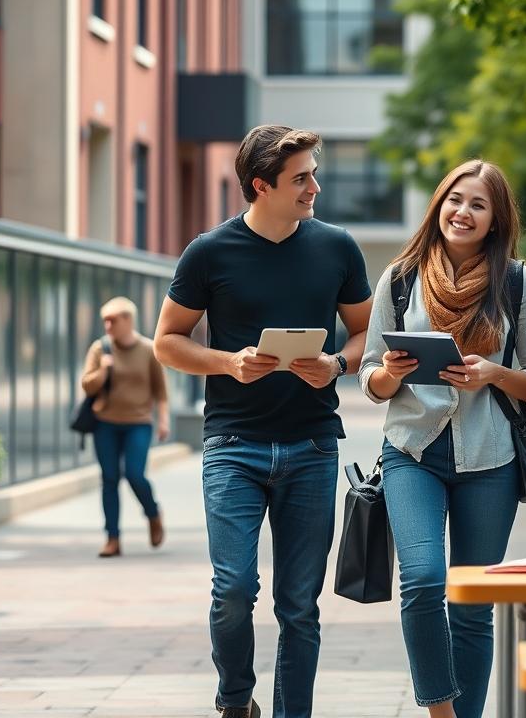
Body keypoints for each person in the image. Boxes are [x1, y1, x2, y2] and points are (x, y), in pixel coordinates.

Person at [153, 125, 372, 718]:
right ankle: (234, 701)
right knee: (233, 592)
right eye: (301, 178)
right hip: (233, 445)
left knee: (299, 604)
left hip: (312, 446)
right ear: (260, 185)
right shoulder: (209, 252)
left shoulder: (337, 248)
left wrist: (335, 364)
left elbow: (365, 336)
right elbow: (166, 342)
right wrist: (228, 362)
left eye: (313, 174)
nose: (314, 188)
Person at [360, 159, 526, 718]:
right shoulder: (399, 279)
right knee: (422, 580)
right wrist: (392, 372)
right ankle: (441, 712)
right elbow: (371, 379)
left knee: (471, 605)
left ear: (496, 220)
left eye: (478, 204)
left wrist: (494, 373)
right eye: (454, 199)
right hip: (411, 453)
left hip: (490, 458)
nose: (462, 212)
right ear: (438, 204)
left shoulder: (518, 283)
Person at [81, 296, 169, 558]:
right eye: (104, 321)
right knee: (109, 478)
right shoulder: (100, 349)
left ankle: (153, 513)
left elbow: (160, 392)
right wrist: (103, 373)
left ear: (128, 320)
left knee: (134, 475)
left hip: (138, 424)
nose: (107, 326)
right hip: (105, 424)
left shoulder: (148, 349)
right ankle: (112, 538)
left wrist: (163, 420)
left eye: (113, 320)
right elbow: (86, 385)